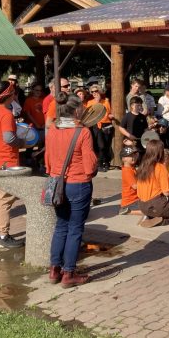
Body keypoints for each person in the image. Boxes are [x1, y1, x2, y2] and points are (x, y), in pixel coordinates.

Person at [46, 92, 97, 288]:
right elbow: (90, 165)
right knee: (75, 229)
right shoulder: (83, 132)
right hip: (79, 184)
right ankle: (69, 273)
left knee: (61, 226)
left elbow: (48, 161)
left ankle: (54, 270)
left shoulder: (52, 130)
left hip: (58, 183)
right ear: (76, 110)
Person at [0, 81, 25, 248]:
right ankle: (3, 235)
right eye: (14, 93)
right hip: (6, 161)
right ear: (9, 95)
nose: (15, 95)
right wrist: (23, 143)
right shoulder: (6, 113)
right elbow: (9, 139)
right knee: (5, 198)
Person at [135, 139, 169, 227]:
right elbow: (167, 192)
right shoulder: (160, 167)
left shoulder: (142, 166)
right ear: (160, 152)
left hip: (142, 206)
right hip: (156, 206)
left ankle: (149, 216)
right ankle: (162, 221)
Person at [88, 84, 113, 172]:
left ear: (99, 91)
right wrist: (97, 101)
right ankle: (99, 163)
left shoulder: (106, 101)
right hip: (96, 125)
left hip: (107, 125)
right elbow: (89, 115)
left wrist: (112, 116)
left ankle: (106, 162)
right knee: (100, 146)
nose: (94, 93)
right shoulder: (90, 103)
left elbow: (108, 113)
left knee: (106, 145)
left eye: (96, 91)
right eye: (92, 92)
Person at [119, 146, 141, 215]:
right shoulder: (127, 171)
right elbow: (135, 186)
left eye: (134, 155)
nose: (134, 157)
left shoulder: (131, 168)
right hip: (130, 202)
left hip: (135, 199)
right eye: (131, 156)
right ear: (124, 159)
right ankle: (128, 211)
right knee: (149, 210)